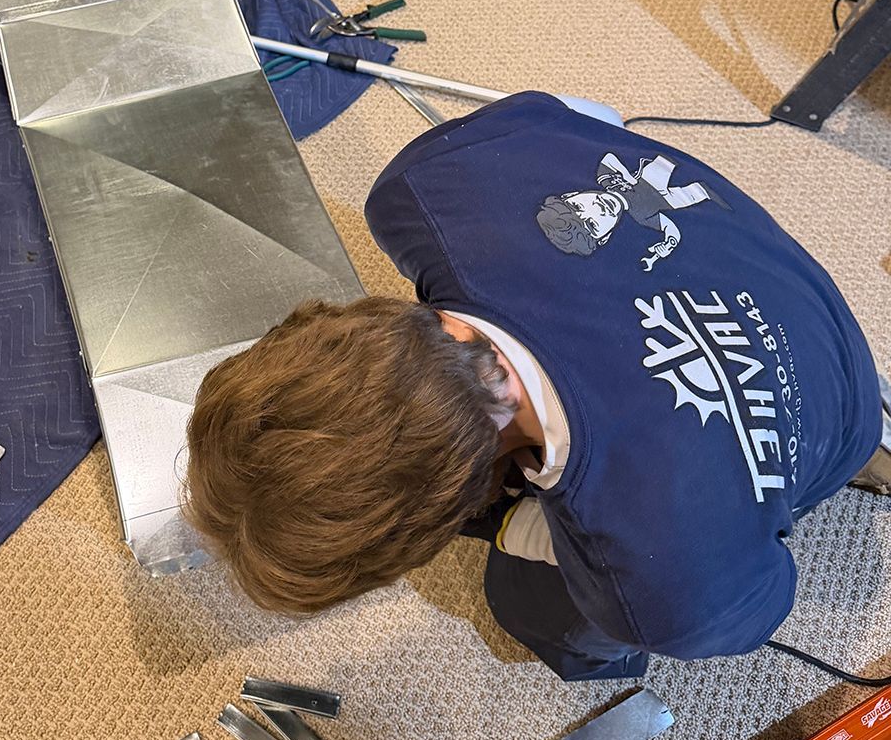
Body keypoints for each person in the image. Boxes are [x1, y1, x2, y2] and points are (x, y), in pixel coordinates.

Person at [183, 92, 889, 681]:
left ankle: (588, 643)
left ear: (434, 520)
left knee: (528, 602)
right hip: (765, 269)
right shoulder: (425, 189)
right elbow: (587, 116)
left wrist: (566, 545)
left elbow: (767, 599)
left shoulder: (670, 592)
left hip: (842, 411)